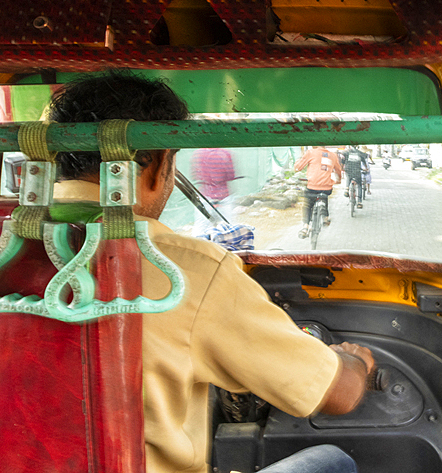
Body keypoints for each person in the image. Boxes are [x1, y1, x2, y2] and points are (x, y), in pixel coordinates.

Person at [47, 72, 370, 473]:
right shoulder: (187, 270)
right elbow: (335, 394)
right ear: (161, 162)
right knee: (332, 462)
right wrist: (354, 361)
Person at [293, 146, 342, 238]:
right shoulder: (333, 155)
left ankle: (305, 227)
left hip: (312, 187)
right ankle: (325, 216)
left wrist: (299, 159)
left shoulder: (310, 153)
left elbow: (298, 167)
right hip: (327, 188)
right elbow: (338, 170)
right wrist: (339, 180)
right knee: (324, 195)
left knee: (308, 205)